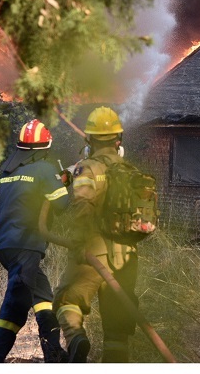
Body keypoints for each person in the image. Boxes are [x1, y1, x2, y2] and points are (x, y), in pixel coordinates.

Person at [52, 106, 139, 363]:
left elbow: (82, 205)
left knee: (68, 300)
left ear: (88, 140)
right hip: (126, 258)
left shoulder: (87, 169)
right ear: (118, 141)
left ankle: (77, 340)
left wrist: (79, 243)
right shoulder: (131, 172)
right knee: (116, 329)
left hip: (93, 252)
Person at [0, 119, 71, 363]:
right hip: (26, 246)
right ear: (46, 146)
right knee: (14, 308)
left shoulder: (8, 170)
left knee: (42, 298)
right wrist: (63, 182)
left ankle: (54, 354)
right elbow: (62, 204)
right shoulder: (43, 169)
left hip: (5, 247)